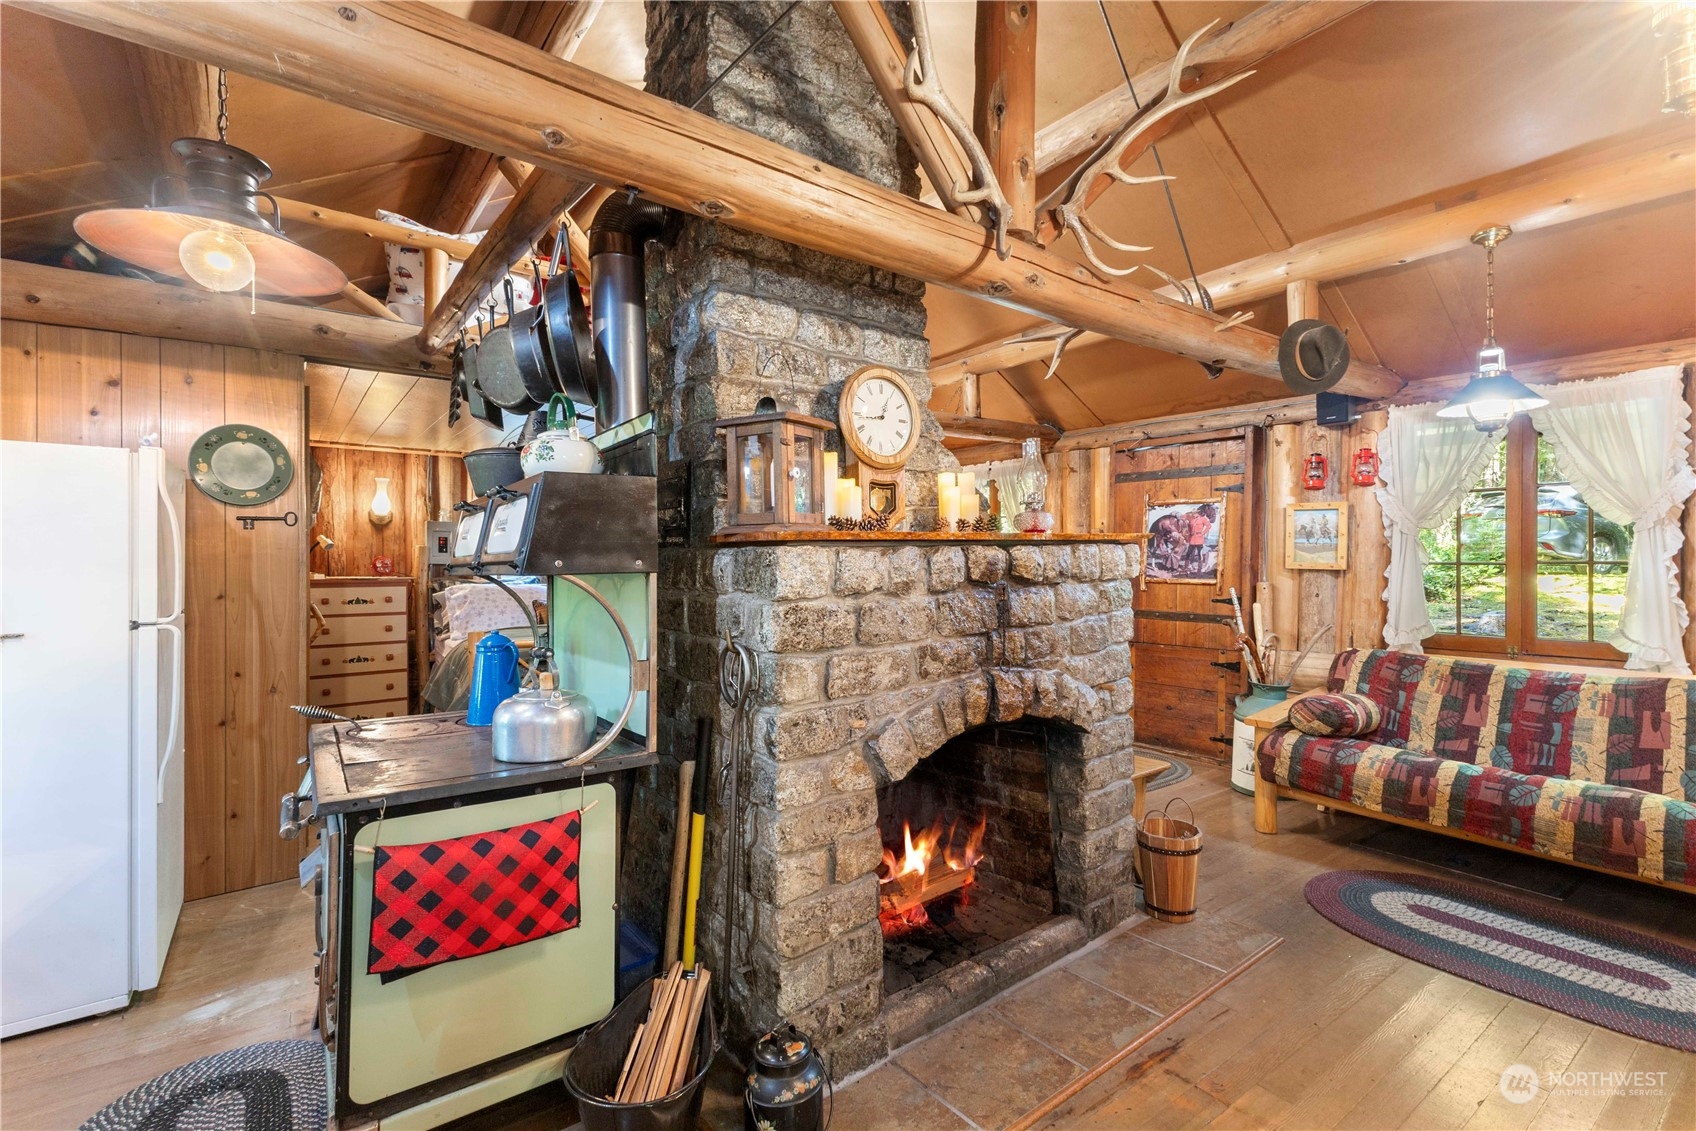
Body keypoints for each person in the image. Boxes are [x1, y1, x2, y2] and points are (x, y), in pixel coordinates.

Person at [1184, 503, 1216, 573]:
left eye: (1195, 513)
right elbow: (1188, 527)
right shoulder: (1191, 520)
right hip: (1192, 539)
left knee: (1199, 554)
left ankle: (1199, 570)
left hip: (1199, 539)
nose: (1194, 514)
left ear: (1198, 513)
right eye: (1193, 513)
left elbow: (1208, 526)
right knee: (1188, 553)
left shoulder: (1203, 519)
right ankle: (1186, 567)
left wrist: (1203, 533)